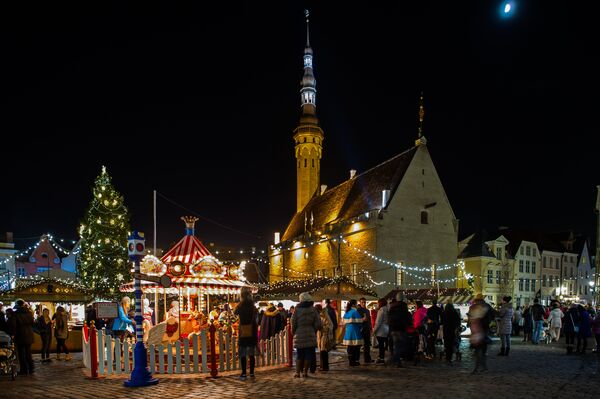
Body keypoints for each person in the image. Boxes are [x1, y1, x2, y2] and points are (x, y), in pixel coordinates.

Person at [291, 292, 321, 377]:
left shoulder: (297, 310)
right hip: (310, 333)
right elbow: (318, 324)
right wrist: (314, 330)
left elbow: (293, 323)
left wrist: (294, 333)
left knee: (299, 354)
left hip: (299, 333)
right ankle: (305, 372)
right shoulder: (313, 310)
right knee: (308, 354)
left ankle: (297, 372)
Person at [234, 287, 258, 381]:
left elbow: (235, 313)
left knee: (243, 353)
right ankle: (252, 373)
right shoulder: (253, 306)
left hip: (243, 331)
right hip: (252, 331)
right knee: (251, 354)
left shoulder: (240, 305)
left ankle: (244, 373)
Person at [468, 294, 492, 373]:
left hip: (479, 331)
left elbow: (471, 319)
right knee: (481, 351)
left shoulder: (477, 308)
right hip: (481, 331)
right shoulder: (486, 307)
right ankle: (482, 367)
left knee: (479, 351)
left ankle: (478, 368)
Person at [9, 299, 35, 375]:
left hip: (20, 334)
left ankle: (24, 370)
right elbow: (33, 323)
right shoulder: (29, 313)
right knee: (28, 352)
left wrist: (12, 334)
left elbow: (13, 325)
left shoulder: (16, 313)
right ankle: (31, 368)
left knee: (21, 353)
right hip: (29, 334)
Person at [388, 293, 412, 368]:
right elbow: (406, 317)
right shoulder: (403, 306)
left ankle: (397, 361)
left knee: (396, 345)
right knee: (404, 344)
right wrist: (408, 323)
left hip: (393, 329)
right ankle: (395, 359)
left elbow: (389, 317)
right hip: (401, 328)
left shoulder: (392, 307)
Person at [343, 298, 364, 367]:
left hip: (348, 331)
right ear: (354, 304)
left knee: (349, 347)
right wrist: (364, 319)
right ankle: (355, 361)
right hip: (355, 331)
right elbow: (360, 321)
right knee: (356, 347)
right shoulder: (355, 312)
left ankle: (350, 361)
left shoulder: (347, 312)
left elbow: (343, 321)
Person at [315, 303, 333, 371]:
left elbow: (330, 325)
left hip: (325, 335)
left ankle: (325, 367)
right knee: (321, 350)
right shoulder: (318, 315)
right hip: (320, 335)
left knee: (323, 350)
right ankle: (322, 366)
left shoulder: (325, 315)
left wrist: (322, 328)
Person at [357, 297, 374, 364]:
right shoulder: (358, 310)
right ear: (360, 303)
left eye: (364, 302)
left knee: (367, 345)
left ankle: (367, 359)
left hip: (366, 329)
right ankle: (357, 359)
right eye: (362, 302)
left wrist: (370, 328)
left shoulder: (367, 310)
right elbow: (358, 320)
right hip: (361, 329)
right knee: (358, 345)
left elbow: (369, 320)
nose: (364, 303)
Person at [373, 298, 389, 364]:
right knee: (382, 345)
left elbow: (378, 322)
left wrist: (374, 330)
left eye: (378, 303)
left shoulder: (381, 310)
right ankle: (381, 357)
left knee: (381, 345)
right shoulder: (388, 309)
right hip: (386, 329)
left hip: (381, 330)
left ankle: (381, 358)